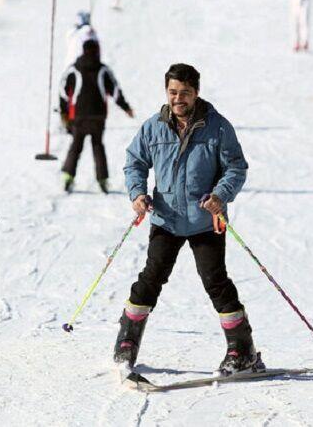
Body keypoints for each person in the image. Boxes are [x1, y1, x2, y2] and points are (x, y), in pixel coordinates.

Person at [115, 63, 260, 376]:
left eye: (184, 93)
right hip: (166, 219)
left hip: (205, 220)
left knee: (215, 281)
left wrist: (220, 195)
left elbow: (236, 168)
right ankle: (126, 343)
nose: (177, 99)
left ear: (196, 93)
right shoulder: (153, 127)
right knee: (150, 278)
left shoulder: (218, 127)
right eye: (172, 92)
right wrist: (137, 194)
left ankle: (242, 349)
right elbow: (134, 163)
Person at [60, 39, 133, 194]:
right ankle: (102, 180)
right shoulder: (103, 70)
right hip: (98, 117)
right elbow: (115, 91)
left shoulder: (74, 69)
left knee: (76, 146)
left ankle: (68, 176)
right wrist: (125, 107)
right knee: (97, 146)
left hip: (79, 116)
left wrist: (64, 112)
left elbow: (63, 91)